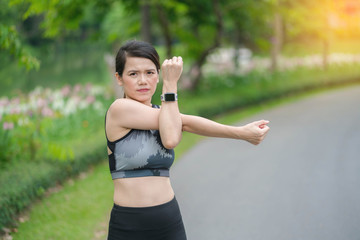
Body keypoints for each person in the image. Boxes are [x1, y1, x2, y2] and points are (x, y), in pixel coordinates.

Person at [104, 40, 270, 240]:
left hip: (168, 219)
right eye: (133, 74)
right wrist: (171, 84)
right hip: (130, 224)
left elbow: (187, 123)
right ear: (119, 78)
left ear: (158, 74)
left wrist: (242, 133)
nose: (143, 81)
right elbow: (171, 138)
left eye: (150, 72)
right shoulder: (119, 109)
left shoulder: (163, 114)